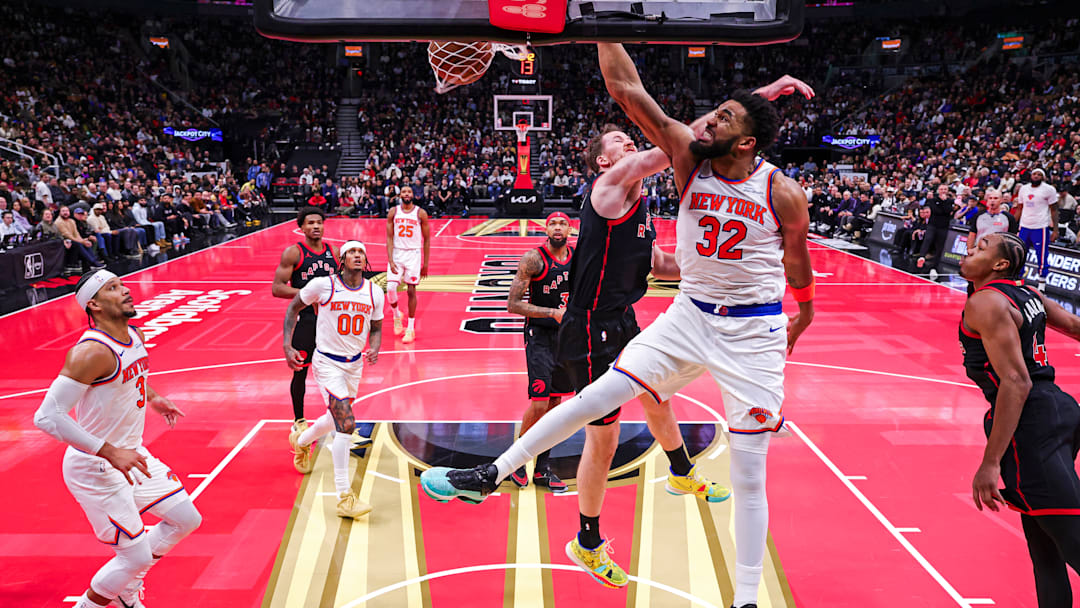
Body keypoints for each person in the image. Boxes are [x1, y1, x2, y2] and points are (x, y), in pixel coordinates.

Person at [423, 58, 814, 603]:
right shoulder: (644, 173)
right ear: (607, 161)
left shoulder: (776, 191)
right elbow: (634, 96)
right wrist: (599, 26)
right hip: (613, 321)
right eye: (620, 143)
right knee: (600, 416)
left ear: (747, 143)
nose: (710, 121)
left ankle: (732, 571)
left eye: (725, 118)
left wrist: (801, 311)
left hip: (740, 327)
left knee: (705, 440)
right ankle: (522, 491)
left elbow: (678, 261)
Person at [33, 270, 201, 608]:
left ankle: (125, 590)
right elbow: (47, 417)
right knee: (134, 557)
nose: (125, 291)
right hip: (95, 466)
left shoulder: (134, 334)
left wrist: (154, 398)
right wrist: (110, 452)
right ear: (93, 305)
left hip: (130, 454)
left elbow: (133, 375)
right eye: (112, 288)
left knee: (186, 519)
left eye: (122, 284)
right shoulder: (90, 353)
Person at [959, 232, 1080, 607]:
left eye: (981, 247)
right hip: (1057, 410)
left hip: (1030, 422)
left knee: (1070, 538)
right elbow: (1074, 326)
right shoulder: (1027, 294)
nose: (969, 248)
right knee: (1044, 548)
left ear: (1000, 264)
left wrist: (990, 462)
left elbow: (1016, 381)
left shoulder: (985, 301)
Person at [283, 241, 384, 519]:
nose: (357, 256)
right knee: (346, 423)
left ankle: (302, 440)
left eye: (361, 252)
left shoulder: (374, 291)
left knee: (334, 417)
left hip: (354, 365)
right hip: (327, 362)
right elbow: (293, 308)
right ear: (342, 259)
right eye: (352, 252)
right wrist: (287, 344)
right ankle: (344, 497)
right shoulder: (323, 285)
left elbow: (376, 327)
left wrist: (375, 346)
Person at [505, 212, 575, 493]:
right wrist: (551, 313)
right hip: (540, 336)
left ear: (570, 230)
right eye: (552, 224)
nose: (557, 228)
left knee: (555, 404)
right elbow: (512, 304)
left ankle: (542, 468)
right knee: (539, 404)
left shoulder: (578, 258)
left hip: (567, 338)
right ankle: (517, 461)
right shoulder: (533, 259)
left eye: (562, 224)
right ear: (546, 230)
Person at [272, 207, 340, 444]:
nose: (316, 226)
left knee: (337, 372)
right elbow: (277, 288)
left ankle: (338, 421)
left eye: (319, 222)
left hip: (331, 323)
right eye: (310, 223)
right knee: (300, 371)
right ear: (301, 227)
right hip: (306, 321)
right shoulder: (294, 252)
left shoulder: (334, 252)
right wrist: (309, 293)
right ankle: (299, 420)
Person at [385, 186, 430, 344]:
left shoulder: (420, 213)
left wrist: (425, 263)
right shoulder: (393, 212)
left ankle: (410, 328)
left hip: (413, 254)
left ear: (413, 195)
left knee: (411, 290)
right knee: (390, 288)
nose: (406, 194)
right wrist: (390, 259)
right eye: (404, 192)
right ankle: (397, 315)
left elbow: (427, 239)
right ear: (400, 195)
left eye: (409, 192)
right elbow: (389, 237)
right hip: (397, 253)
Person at [1015, 168, 1059, 292]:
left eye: (1039, 174)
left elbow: (1054, 210)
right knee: (1020, 254)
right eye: (1034, 174)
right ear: (1031, 175)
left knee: (1042, 256)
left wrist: (1055, 230)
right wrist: (1013, 225)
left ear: (1043, 177)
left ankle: (1041, 284)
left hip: (1040, 227)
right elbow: (1019, 208)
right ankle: (1018, 280)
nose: (1036, 176)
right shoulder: (1024, 189)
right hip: (1024, 226)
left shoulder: (1049, 189)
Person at [967, 188, 1017, 255]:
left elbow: (1013, 239)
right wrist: (969, 250)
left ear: (1001, 200)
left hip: (998, 254)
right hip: (979, 251)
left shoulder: (1009, 218)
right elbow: (972, 235)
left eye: (996, 198)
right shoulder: (979, 216)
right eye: (990, 198)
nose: (992, 200)